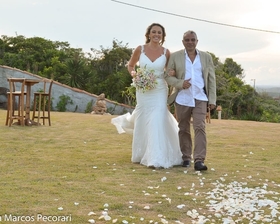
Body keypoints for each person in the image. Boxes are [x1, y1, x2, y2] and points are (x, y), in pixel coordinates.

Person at [111, 23, 183, 169]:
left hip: (159, 89)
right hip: (143, 90)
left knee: (157, 118)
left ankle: (155, 157)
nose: (156, 35)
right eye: (154, 32)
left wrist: (172, 73)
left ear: (163, 36)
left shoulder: (166, 52)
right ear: (148, 34)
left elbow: (169, 71)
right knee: (143, 118)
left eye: (159, 33)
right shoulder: (140, 49)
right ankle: (141, 153)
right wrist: (135, 75)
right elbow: (130, 65)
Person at [164, 30, 216, 171]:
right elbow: (167, 76)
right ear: (183, 42)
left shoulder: (206, 57)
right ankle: (186, 157)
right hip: (182, 98)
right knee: (184, 128)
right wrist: (181, 83)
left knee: (200, 127)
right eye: (187, 40)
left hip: (200, 97)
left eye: (193, 40)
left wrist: (212, 99)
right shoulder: (175, 57)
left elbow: (211, 79)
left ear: (197, 41)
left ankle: (199, 160)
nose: (190, 42)